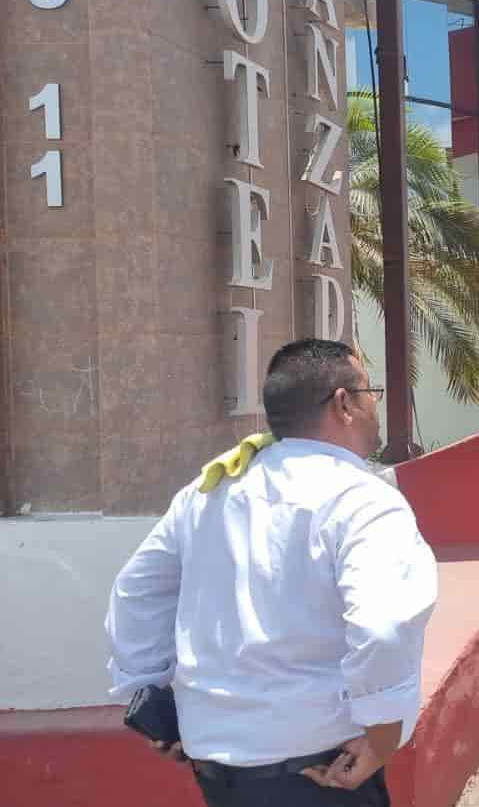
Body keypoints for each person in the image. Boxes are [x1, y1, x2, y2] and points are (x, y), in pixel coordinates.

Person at [105, 339, 438, 806]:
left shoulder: (206, 493)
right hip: (318, 772)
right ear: (343, 404)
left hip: (219, 773)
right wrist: (384, 737)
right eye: (370, 393)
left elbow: (136, 593)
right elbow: (382, 629)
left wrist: (153, 698)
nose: (375, 409)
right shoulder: (363, 500)